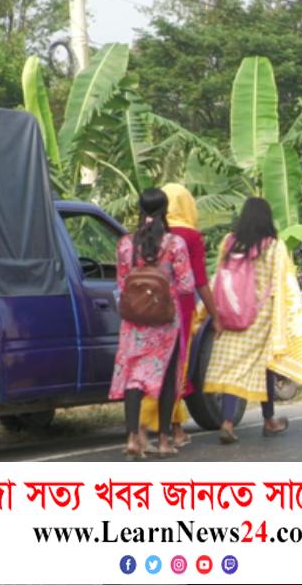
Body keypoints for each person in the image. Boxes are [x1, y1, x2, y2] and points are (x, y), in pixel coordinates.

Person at [204, 198, 302, 444]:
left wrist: (210, 312)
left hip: (230, 313)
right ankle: (269, 419)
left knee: (231, 369)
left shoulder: (229, 242)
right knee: (265, 366)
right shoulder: (274, 246)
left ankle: (227, 421)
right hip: (260, 316)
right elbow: (283, 284)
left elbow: (219, 277)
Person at [111, 188, 195, 459]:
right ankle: (162, 441)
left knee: (134, 378)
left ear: (140, 209)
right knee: (167, 378)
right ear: (165, 209)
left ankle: (133, 437)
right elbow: (186, 285)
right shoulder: (174, 244)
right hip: (164, 322)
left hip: (134, 322)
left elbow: (122, 284)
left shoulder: (125, 243)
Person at [136, 184, 220, 450]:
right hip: (178, 309)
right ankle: (155, 428)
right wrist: (216, 314)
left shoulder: (143, 234)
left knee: (153, 366)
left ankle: (174, 428)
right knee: (175, 368)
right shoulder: (189, 237)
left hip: (145, 307)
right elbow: (199, 282)